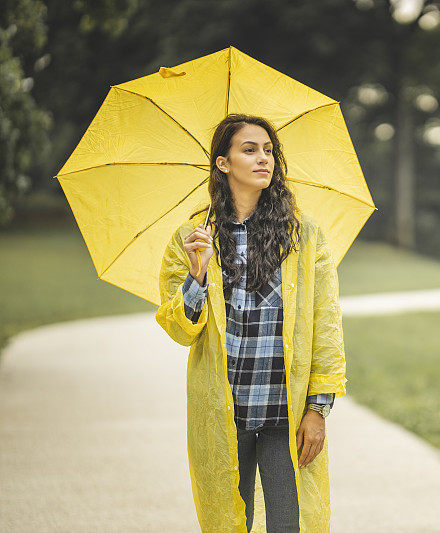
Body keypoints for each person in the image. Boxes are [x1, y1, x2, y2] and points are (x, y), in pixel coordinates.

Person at [155, 113, 347, 532]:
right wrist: (197, 274)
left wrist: (317, 408)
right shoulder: (194, 238)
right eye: (249, 150)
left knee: (288, 524)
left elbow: (326, 326)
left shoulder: (303, 235)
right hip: (225, 409)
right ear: (222, 164)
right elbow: (180, 328)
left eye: (268, 150)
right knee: (228, 521)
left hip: (285, 409)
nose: (264, 159)